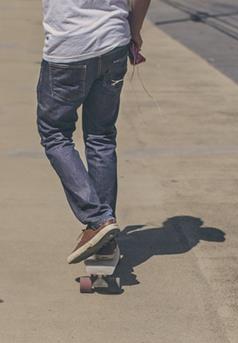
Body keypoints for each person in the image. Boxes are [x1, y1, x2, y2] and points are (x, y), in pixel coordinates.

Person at [37, 0, 151, 264]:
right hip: (113, 42)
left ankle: (98, 219)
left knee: (54, 134)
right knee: (101, 137)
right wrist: (135, 30)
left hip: (67, 49)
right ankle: (104, 237)